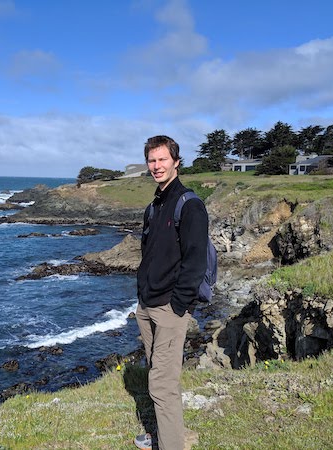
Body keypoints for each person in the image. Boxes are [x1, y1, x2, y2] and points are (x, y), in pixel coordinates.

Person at [134, 135, 208, 450]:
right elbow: (149, 253)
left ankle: (171, 444)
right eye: (152, 160)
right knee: (159, 375)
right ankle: (165, 434)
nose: (156, 166)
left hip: (169, 308)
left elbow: (196, 261)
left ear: (176, 161)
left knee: (162, 384)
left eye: (163, 159)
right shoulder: (155, 205)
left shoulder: (189, 204)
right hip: (147, 305)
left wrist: (178, 306)